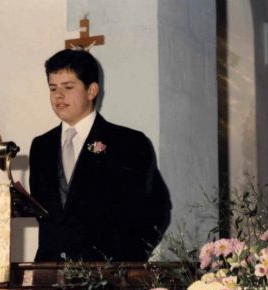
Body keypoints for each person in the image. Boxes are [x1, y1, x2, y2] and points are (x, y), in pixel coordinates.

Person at [29, 49, 171, 262]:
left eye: (68, 87)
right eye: (53, 88)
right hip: (49, 274)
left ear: (92, 90)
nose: (58, 96)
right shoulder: (41, 146)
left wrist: (127, 259)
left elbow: (155, 208)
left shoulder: (128, 142)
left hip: (108, 275)